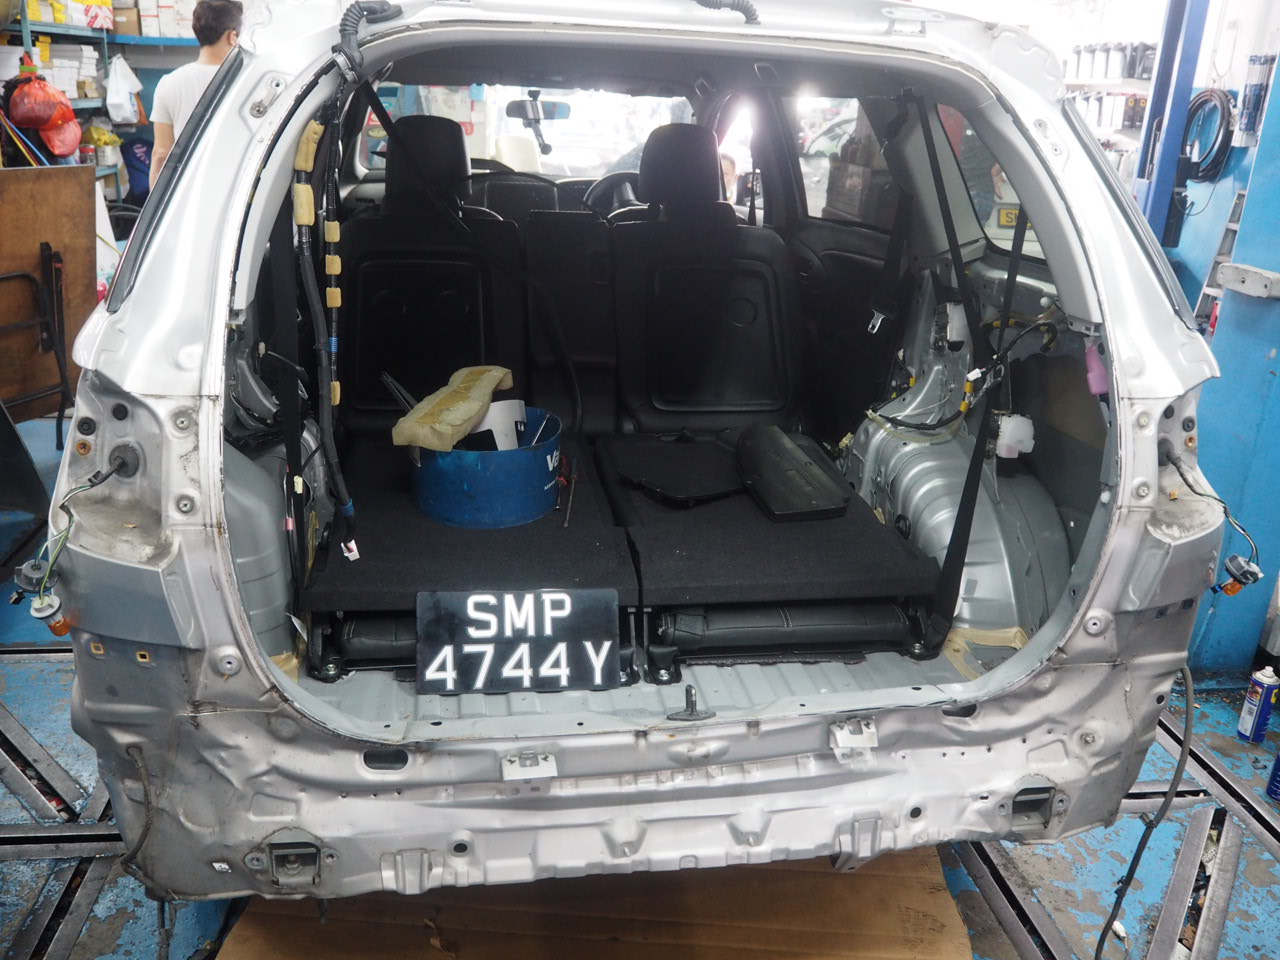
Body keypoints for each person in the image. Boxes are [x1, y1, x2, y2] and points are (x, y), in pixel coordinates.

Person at [149, 0, 242, 188]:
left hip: (188, 190)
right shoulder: (244, 81)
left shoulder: (169, 83)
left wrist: (155, 200)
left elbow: (161, 153)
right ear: (232, 36)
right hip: (235, 187)